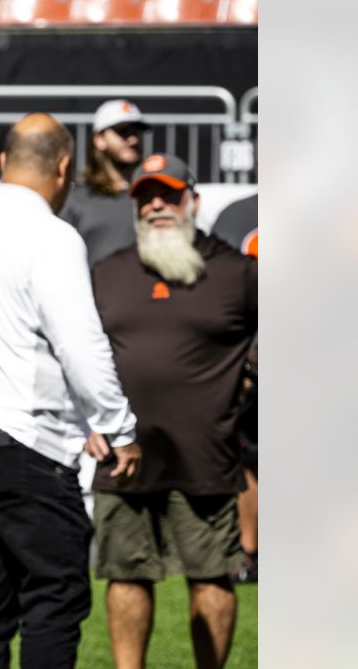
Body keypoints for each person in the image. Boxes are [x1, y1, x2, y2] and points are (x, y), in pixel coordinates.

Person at [0, 113, 142, 669]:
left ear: (3, 163)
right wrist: (119, 427)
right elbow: (83, 344)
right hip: (28, 443)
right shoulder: (53, 238)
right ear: (64, 167)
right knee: (55, 599)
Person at [91, 153, 257, 669]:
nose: (157, 204)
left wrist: (249, 378)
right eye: (145, 195)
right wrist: (85, 421)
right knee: (126, 576)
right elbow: (76, 353)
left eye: (168, 193)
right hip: (125, 454)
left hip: (206, 456)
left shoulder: (237, 272)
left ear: (193, 201)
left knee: (211, 576)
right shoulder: (108, 273)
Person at [210, 192, 258, 583]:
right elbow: (218, 290)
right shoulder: (239, 214)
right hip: (249, 359)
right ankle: (249, 551)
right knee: (249, 457)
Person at [60, 99, 151, 265]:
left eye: (136, 132)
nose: (133, 139)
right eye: (123, 132)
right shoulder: (75, 200)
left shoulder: (154, 197)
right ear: (99, 139)